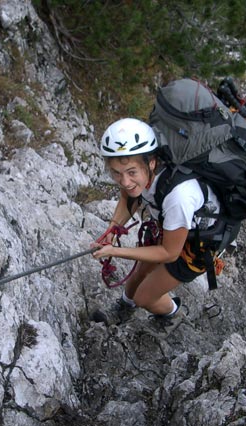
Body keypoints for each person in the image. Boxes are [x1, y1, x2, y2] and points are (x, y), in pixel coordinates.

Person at [90, 118, 222, 333]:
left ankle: (173, 314)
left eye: (131, 172)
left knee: (144, 297)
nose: (124, 181)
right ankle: (125, 306)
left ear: (151, 162)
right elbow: (128, 197)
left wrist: (115, 250)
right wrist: (112, 230)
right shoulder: (143, 175)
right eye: (116, 173)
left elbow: (169, 253)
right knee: (136, 280)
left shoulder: (179, 196)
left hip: (198, 245)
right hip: (173, 228)